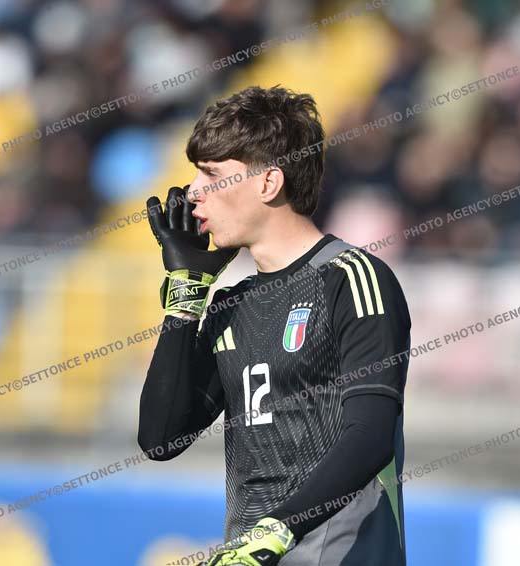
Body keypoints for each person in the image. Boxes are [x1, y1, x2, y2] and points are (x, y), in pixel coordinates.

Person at [138, 85, 411, 566]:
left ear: (268, 183)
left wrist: (278, 529)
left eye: (211, 175)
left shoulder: (352, 278)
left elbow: (370, 435)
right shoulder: (233, 304)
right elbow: (160, 438)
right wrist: (185, 294)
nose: (193, 192)